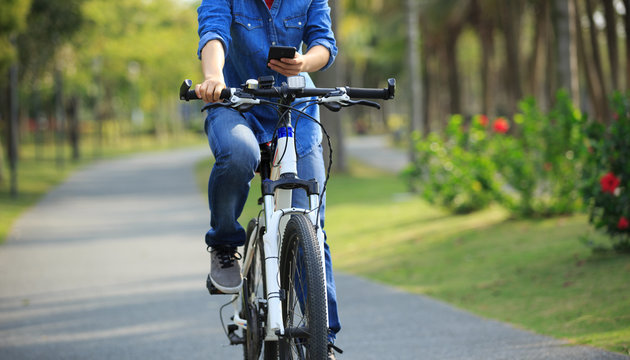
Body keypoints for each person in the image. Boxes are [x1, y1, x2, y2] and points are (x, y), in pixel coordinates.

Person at [195, 0, 341, 358]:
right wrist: (214, 77)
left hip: (296, 109)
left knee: (312, 224)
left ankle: (323, 337)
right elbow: (213, 32)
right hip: (235, 103)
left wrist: (304, 63)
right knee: (239, 154)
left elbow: (324, 42)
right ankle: (225, 245)